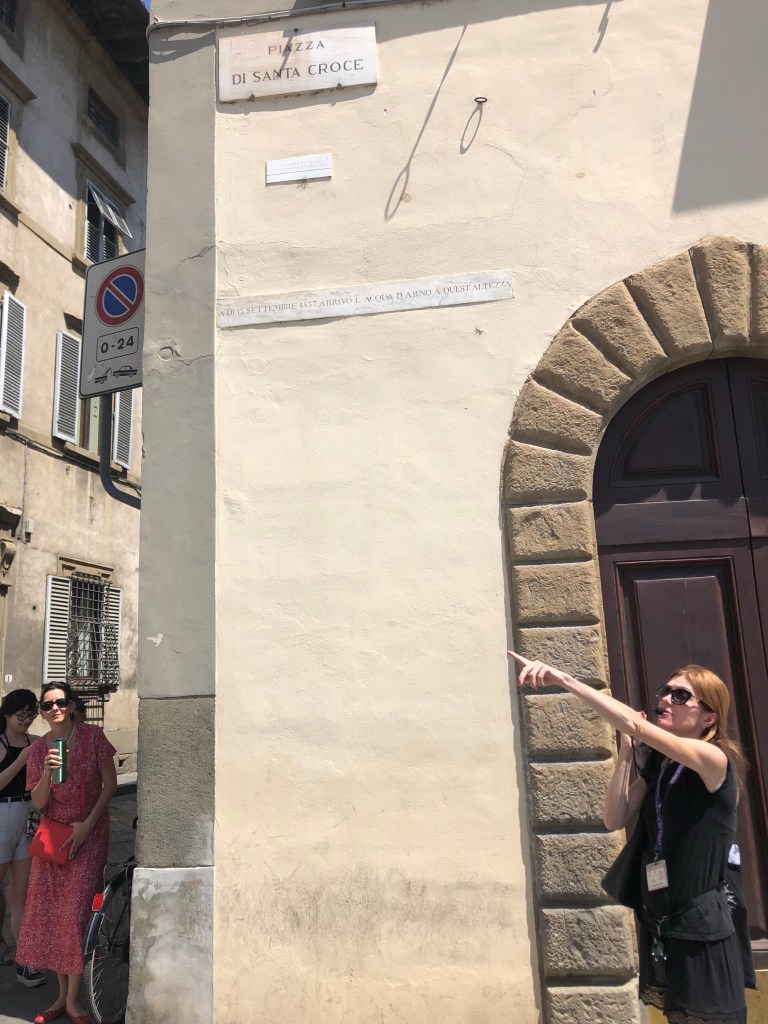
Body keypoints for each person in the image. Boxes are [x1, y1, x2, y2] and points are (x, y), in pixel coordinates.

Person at [509, 651, 755, 1024]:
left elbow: (634, 723)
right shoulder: (662, 764)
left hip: (701, 925)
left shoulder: (714, 758)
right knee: (678, 1017)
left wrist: (563, 679)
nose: (666, 699)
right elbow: (614, 817)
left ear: (709, 717)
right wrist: (626, 752)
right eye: (665, 691)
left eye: (681, 695)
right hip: (664, 921)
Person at [16, 681, 117, 1024]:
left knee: (75, 915)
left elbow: (110, 784)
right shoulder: (38, 750)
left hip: (89, 833)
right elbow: (38, 802)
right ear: (42, 713)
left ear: (71, 706)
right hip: (54, 837)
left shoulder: (93, 737)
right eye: (47, 705)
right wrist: (47, 772)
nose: (54, 708)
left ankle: (73, 1001)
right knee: (54, 916)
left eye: (60, 702)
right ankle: (61, 997)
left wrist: (87, 825)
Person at [0, 688, 45, 987]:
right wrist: (21, 760)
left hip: (28, 814)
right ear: (7, 714)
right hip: (2, 814)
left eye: (31, 715)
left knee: (21, 895)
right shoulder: (2, 743)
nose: (27, 720)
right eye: (21, 715)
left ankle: (24, 961)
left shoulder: (36, 742)